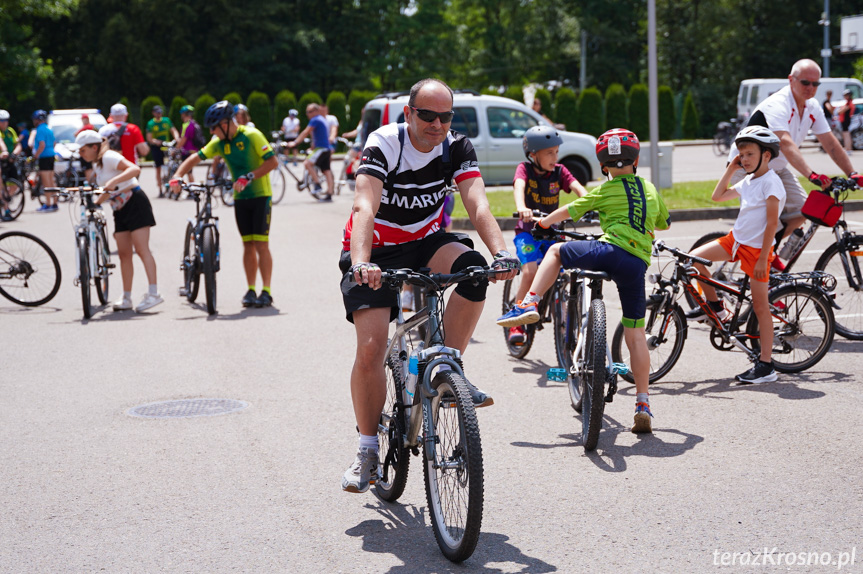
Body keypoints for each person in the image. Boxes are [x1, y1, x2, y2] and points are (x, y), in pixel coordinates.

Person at [339, 78, 520, 493]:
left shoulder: (456, 147)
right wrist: (362, 263)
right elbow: (364, 205)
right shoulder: (384, 143)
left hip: (423, 242)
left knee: (474, 271)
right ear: (409, 114)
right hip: (375, 251)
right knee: (370, 348)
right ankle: (367, 449)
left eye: (446, 116)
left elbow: (477, 203)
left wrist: (501, 254)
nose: (437, 124)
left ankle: (448, 367)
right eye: (428, 115)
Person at [497, 128, 669, 434]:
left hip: (609, 251)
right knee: (636, 334)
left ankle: (529, 302)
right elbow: (663, 223)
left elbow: (569, 210)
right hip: (636, 265)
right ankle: (643, 403)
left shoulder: (605, 190)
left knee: (556, 251)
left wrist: (544, 221)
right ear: (637, 159)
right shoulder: (651, 189)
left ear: (603, 166)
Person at [731, 59, 863, 268]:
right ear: (791, 80)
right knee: (764, 221)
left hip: (775, 168)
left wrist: (853, 172)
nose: (810, 88)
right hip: (747, 167)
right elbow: (785, 143)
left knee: (804, 210)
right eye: (805, 82)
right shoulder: (778, 103)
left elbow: (830, 143)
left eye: (815, 84)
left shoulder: (812, 107)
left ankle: (768, 259)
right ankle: (759, 265)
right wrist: (812, 175)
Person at [688, 127, 785, 384]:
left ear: (767, 155)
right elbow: (717, 196)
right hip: (735, 240)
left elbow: (772, 225)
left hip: (756, 251)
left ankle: (766, 365)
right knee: (693, 260)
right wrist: (731, 169)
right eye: (741, 154)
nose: (744, 159)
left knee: (761, 307)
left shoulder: (771, 183)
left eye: (750, 153)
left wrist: (765, 259)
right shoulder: (749, 180)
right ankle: (717, 309)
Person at [170, 100, 279, 308]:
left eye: (215, 127)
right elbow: (195, 158)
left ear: (227, 124)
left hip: (260, 196)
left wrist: (249, 176)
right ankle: (250, 289)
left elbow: (272, 162)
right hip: (240, 199)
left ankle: (266, 291)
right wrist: (177, 175)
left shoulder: (251, 135)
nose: (212, 132)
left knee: (261, 244)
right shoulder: (219, 142)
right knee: (247, 244)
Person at [506, 125, 588, 345]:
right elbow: (519, 187)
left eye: (556, 152)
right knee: (530, 271)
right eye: (549, 152)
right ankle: (516, 319)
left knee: (561, 272)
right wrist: (522, 207)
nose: (555, 157)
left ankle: (561, 315)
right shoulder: (524, 169)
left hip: (553, 233)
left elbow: (577, 187)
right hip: (528, 233)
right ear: (533, 155)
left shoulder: (560, 171)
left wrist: (589, 202)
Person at [75, 130, 163, 312]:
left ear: (94, 147)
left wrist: (114, 180)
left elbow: (134, 169)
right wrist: (95, 204)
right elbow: (107, 190)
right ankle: (127, 296)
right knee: (124, 254)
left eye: (83, 150)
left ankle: (154, 293)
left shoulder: (108, 156)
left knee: (141, 249)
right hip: (119, 209)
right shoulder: (97, 165)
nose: (80, 154)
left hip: (135, 202)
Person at [287, 103, 333, 201]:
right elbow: (317, 136)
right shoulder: (321, 119)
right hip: (326, 148)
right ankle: (329, 193)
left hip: (321, 148)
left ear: (316, 111)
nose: (308, 114)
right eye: (307, 112)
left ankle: (317, 184)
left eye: (310, 111)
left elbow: (306, 132)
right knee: (326, 171)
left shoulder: (315, 119)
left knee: (307, 163)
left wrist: (295, 142)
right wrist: (312, 147)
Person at [145, 105, 180, 197]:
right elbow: (149, 138)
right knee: (158, 168)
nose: (159, 114)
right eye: (157, 112)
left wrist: (176, 138)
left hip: (167, 146)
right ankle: (160, 189)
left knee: (172, 163)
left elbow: (173, 130)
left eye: (160, 112)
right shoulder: (151, 123)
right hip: (157, 147)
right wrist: (155, 141)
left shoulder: (166, 120)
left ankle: (171, 184)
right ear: (153, 113)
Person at [30, 109, 57, 212]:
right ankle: (55, 203)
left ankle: (48, 204)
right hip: (51, 155)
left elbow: (42, 145)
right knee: (52, 180)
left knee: (46, 182)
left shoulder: (40, 130)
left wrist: (36, 156)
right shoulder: (49, 129)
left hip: (44, 156)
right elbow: (54, 143)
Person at [0, 110, 18, 220]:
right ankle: (6, 209)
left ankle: (5, 200)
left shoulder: (10, 131)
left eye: (6, 120)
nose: (4, 123)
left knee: (14, 184)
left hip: (9, 161)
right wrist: (5, 151)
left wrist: (15, 153)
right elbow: (0, 142)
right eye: (1, 121)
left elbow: (18, 144)